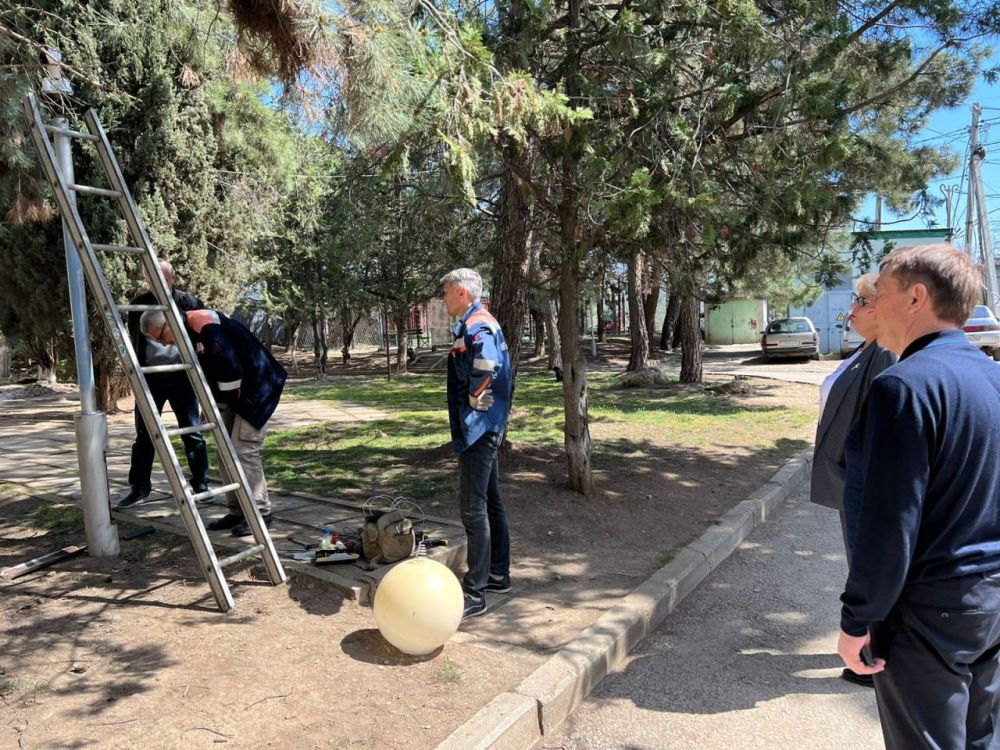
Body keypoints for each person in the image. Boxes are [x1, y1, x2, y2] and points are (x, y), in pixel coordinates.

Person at [837, 244, 1000, 748]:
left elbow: (890, 523)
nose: (869, 308)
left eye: (878, 295)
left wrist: (857, 618)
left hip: (929, 611)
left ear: (916, 297)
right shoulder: (992, 378)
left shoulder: (903, 387)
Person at [811, 273, 897, 687]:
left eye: (861, 301)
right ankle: (871, 648)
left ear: (884, 307)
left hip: (861, 483)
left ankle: (876, 658)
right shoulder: (866, 349)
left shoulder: (884, 354)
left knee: (868, 564)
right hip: (850, 479)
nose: (852, 310)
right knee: (860, 561)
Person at [140, 307, 287, 538]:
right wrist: (212, 406)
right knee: (225, 449)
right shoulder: (188, 329)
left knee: (243, 449)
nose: (165, 344)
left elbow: (230, 371)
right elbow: (213, 371)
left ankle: (260, 512)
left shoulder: (205, 326)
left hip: (258, 388)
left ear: (168, 323)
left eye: (161, 337)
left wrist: (217, 406)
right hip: (236, 392)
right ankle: (238, 511)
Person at [441, 268, 513, 620]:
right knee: (491, 500)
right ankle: (499, 574)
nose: (444, 300)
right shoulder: (475, 321)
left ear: (462, 293)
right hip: (485, 427)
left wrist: (473, 407)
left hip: (479, 430)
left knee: (473, 509)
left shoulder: (477, 325)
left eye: (447, 293)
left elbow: (487, 368)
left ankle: (475, 591)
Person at [117, 259, 209, 509]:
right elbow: (134, 340)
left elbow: (204, 340)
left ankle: (201, 484)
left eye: (161, 278)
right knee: (145, 434)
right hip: (150, 378)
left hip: (183, 376)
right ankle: (139, 487)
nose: (155, 283)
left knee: (192, 432)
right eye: (149, 279)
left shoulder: (188, 303)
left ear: (172, 279)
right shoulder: (137, 304)